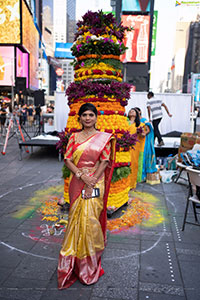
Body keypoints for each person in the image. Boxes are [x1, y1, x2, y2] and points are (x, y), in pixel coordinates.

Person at [57, 103, 116, 289]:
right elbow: (67, 159)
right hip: (78, 180)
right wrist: (81, 176)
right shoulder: (74, 137)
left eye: (91, 115)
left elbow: (105, 161)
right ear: (80, 118)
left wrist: (92, 180)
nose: (88, 118)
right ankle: (72, 260)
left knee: (90, 220)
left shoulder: (103, 138)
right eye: (84, 115)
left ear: (96, 117)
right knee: (75, 218)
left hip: (95, 182)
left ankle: (89, 263)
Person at [135, 107, 157, 182]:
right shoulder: (135, 121)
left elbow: (148, 130)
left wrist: (142, 133)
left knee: (143, 158)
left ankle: (142, 176)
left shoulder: (144, 121)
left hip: (144, 141)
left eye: (137, 111)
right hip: (137, 141)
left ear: (140, 112)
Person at [128, 108, 145, 190]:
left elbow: (143, 135)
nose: (131, 111)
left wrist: (141, 132)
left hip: (135, 147)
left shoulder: (140, 124)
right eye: (130, 110)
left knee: (133, 165)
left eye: (133, 111)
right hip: (125, 146)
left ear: (137, 114)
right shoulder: (124, 123)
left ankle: (131, 183)